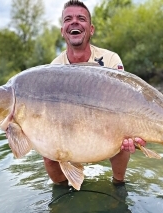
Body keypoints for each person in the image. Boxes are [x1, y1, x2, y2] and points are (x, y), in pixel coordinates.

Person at [44, 0, 146, 186]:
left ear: (91, 29)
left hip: (105, 124)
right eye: (68, 19)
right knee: (48, 154)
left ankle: (118, 185)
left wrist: (135, 130)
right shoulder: (54, 68)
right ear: (62, 31)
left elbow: (124, 102)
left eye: (81, 18)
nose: (74, 22)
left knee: (123, 142)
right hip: (70, 127)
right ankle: (63, 191)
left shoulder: (110, 59)